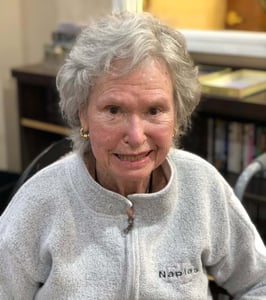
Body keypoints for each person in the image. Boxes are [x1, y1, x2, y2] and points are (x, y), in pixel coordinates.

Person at [0, 11, 266, 300]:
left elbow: (259, 282)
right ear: (83, 115)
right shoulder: (39, 202)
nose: (136, 136)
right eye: (114, 110)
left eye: (154, 110)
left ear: (176, 116)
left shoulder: (202, 187)